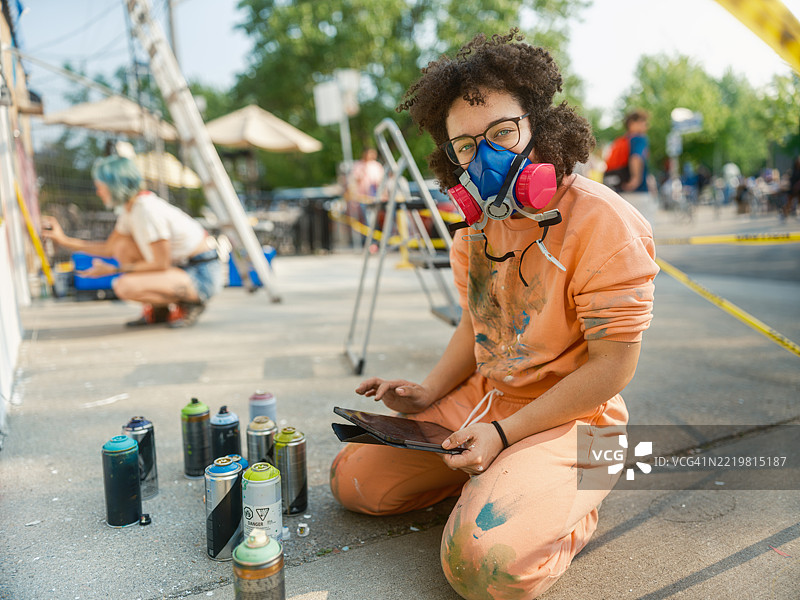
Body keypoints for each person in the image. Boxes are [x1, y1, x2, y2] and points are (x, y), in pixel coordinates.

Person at [329, 30, 658, 600]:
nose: (483, 156)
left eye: (502, 132)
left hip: (581, 420)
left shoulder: (607, 224)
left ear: (540, 127)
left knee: (486, 570)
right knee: (355, 483)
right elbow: (476, 324)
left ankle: (565, 499)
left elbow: (612, 369)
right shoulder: (475, 230)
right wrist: (427, 393)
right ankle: (504, 487)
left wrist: (505, 435)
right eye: (464, 145)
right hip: (489, 400)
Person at [42, 155, 222, 328]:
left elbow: (161, 262)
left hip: (202, 274)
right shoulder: (130, 210)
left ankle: (192, 301)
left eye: (100, 186)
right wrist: (64, 240)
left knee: (124, 286)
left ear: (115, 185)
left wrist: (114, 270)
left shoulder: (146, 210)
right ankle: (161, 310)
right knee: (123, 247)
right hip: (184, 267)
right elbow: (109, 248)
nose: (98, 192)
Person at [615, 109, 657, 224]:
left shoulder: (625, 140)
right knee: (645, 227)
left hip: (622, 189)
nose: (646, 126)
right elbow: (636, 158)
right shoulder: (639, 139)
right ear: (633, 123)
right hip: (638, 191)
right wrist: (636, 179)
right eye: (644, 122)